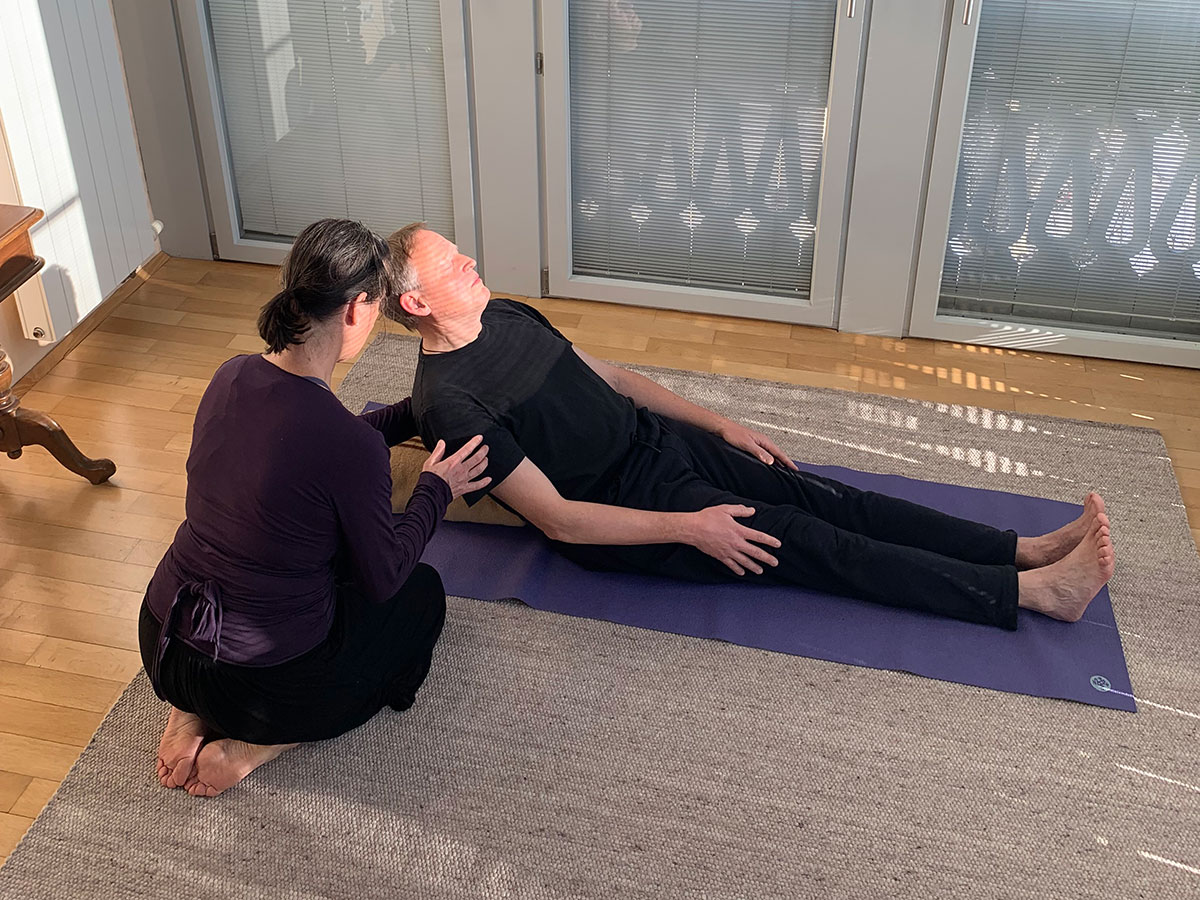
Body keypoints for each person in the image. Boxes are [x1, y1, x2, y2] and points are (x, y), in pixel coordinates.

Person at [384, 223, 1115, 631]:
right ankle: (1031, 594)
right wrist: (691, 528)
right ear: (416, 305)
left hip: (659, 446)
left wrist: (721, 424)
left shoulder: (506, 312)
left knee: (830, 498)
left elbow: (611, 378)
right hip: (634, 513)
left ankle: (1022, 548)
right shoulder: (448, 402)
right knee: (819, 544)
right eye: (452, 262)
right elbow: (563, 521)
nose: (471, 258)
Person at [138, 219, 489, 798]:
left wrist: (414, 409)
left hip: (162, 644)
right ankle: (254, 747)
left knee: (294, 552)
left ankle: (186, 712)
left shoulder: (230, 376)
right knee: (419, 596)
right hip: (261, 690)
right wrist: (436, 490)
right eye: (376, 309)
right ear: (356, 309)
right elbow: (384, 577)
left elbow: (321, 448)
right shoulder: (345, 445)